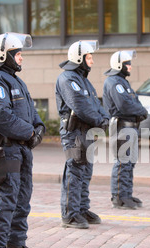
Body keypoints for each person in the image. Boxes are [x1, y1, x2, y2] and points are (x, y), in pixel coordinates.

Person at [0, 32, 45, 248]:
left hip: (22, 150)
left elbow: (32, 111)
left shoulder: (16, 80)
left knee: (22, 200)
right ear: (3, 55)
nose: (21, 58)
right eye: (17, 54)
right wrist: (29, 133)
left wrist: (38, 128)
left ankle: (15, 246)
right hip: (6, 150)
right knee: (5, 200)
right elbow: (0, 116)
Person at [55, 40, 110, 229]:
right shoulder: (68, 78)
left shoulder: (82, 79)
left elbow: (95, 103)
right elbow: (80, 105)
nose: (92, 61)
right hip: (73, 133)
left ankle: (81, 209)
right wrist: (99, 121)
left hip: (85, 132)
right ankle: (70, 215)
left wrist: (104, 119)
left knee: (85, 172)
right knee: (74, 170)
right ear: (79, 58)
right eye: (89, 57)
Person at [103, 50, 148, 209]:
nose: (130, 66)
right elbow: (125, 105)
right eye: (127, 64)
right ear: (118, 65)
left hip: (131, 127)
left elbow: (134, 102)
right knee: (123, 162)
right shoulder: (114, 82)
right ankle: (119, 197)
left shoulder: (122, 82)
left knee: (130, 162)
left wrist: (140, 110)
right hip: (122, 126)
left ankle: (126, 194)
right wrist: (141, 111)